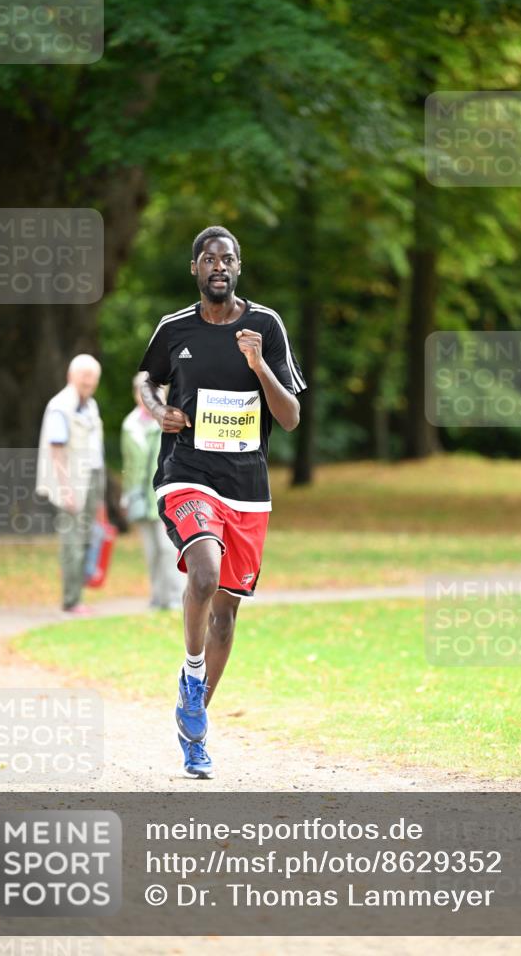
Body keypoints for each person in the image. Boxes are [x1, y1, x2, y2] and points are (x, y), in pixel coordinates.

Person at [138, 225, 306, 778]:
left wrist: (259, 367)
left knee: (227, 618)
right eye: (209, 258)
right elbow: (145, 379)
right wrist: (154, 408)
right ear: (195, 268)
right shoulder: (174, 328)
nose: (219, 266)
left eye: (228, 259)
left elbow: (290, 417)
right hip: (185, 473)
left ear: (238, 268)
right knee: (203, 572)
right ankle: (191, 672)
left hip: (247, 488)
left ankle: (194, 728)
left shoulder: (266, 326)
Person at [36, 354, 105, 614]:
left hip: (91, 479)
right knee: (72, 542)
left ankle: (78, 595)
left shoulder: (91, 406)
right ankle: (71, 600)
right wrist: (66, 489)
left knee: (86, 539)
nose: (89, 381)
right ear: (71, 375)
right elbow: (56, 451)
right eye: (84, 375)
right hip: (70, 482)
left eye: (93, 377)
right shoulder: (60, 406)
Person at [121, 373, 185, 610]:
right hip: (140, 497)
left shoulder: (172, 420)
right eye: (141, 392)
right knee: (151, 552)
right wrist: (126, 495)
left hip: (166, 496)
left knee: (169, 549)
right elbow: (129, 464)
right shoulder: (129, 425)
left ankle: (176, 598)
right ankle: (157, 598)